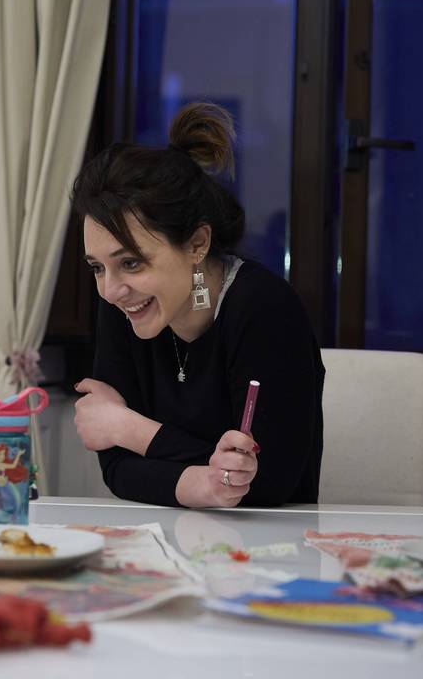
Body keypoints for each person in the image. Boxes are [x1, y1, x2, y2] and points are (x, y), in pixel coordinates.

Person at [69, 102, 324, 508]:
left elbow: (270, 481)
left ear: (197, 244)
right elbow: (117, 470)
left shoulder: (264, 309)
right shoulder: (124, 305)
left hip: (270, 547)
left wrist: (126, 427)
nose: (111, 289)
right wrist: (204, 484)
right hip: (164, 538)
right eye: (97, 268)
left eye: (131, 262)